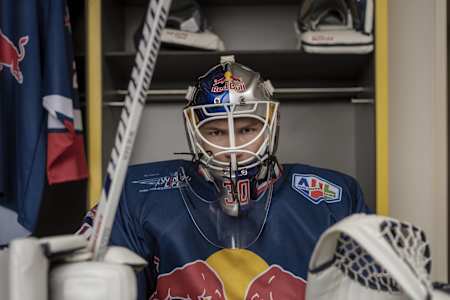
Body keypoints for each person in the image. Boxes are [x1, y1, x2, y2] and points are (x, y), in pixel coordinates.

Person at [78, 55, 370, 300]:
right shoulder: (135, 192)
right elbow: (89, 282)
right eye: (215, 131)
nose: (233, 147)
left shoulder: (335, 195)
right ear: (195, 132)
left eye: (246, 130)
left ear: (272, 124)